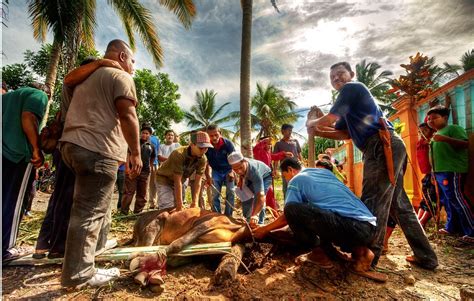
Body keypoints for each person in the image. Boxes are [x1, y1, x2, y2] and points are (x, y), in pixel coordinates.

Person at [307, 62, 438, 270]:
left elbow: (329, 119)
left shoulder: (353, 88)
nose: (336, 79)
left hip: (380, 145)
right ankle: (427, 256)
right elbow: (344, 134)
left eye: (340, 74)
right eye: (332, 77)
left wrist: (313, 124)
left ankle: (369, 257)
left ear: (352, 74)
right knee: (399, 205)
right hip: (387, 145)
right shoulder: (349, 106)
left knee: (373, 201)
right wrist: (318, 131)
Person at [58, 39, 142, 288]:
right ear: (123, 57)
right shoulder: (120, 76)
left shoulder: (83, 77)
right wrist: (135, 153)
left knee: (91, 207)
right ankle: (79, 274)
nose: (134, 67)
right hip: (97, 149)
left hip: (72, 145)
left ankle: (92, 250)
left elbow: (66, 84)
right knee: (89, 212)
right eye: (133, 61)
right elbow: (128, 115)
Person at [253, 158, 387, 282]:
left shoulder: (297, 179)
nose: (287, 180)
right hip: (369, 228)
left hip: (351, 227)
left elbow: (288, 215)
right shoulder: (324, 174)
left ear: (290, 170)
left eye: (285, 176)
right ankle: (362, 253)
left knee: (291, 209)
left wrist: (264, 229)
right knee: (326, 210)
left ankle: (318, 253)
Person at [2, 83, 49, 262]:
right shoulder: (39, 95)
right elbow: (28, 116)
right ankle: (6, 248)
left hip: (3, 153)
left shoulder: (5, 98)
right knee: (13, 203)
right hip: (18, 155)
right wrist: (36, 149)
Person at [427, 106, 473, 243]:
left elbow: (464, 144)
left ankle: (472, 231)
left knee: (457, 198)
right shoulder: (435, 136)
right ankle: (451, 227)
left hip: (453, 170)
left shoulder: (453, 129)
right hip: (439, 172)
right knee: (447, 201)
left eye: (434, 118)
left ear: (445, 118)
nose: (430, 121)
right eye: (429, 119)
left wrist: (445, 139)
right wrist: (433, 174)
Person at [155, 131, 212, 211]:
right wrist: (179, 205)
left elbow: (198, 181)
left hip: (181, 181)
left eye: (206, 148)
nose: (203, 151)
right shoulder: (178, 154)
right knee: (167, 207)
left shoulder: (203, 159)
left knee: (178, 207)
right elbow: (177, 181)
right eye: (201, 148)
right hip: (164, 179)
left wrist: (195, 202)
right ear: (192, 144)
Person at [228, 152, 272, 225]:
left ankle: (259, 222)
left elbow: (260, 196)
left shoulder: (255, 172)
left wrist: (255, 215)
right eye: (235, 169)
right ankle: (247, 220)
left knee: (257, 199)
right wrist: (241, 179)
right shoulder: (240, 165)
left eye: (240, 167)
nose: (239, 171)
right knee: (246, 197)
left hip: (265, 177)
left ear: (245, 161)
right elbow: (240, 171)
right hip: (249, 178)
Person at [121, 125, 156, 214]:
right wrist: (127, 168)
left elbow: (152, 158)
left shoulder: (151, 146)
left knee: (142, 194)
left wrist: (150, 168)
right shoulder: (134, 143)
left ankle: (138, 212)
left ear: (150, 135)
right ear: (140, 134)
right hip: (132, 171)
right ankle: (124, 211)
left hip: (145, 172)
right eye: (143, 133)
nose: (144, 135)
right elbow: (128, 155)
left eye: (147, 133)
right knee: (129, 192)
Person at [253, 136, 292, 214]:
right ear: (262, 144)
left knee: (269, 193)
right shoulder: (258, 151)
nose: (269, 146)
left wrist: (284, 154)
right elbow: (255, 148)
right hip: (260, 175)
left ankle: (271, 209)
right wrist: (264, 141)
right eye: (267, 144)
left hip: (267, 175)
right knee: (266, 192)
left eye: (270, 145)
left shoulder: (268, 152)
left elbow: (274, 156)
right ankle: (262, 211)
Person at [205, 124, 236, 217]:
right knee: (215, 194)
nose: (214, 137)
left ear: (220, 133)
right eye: (211, 136)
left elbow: (235, 159)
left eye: (216, 135)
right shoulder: (206, 146)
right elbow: (205, 163)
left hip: (228, 170)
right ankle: (216, 215)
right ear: (208, 136)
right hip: (215, 171)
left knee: (231, 191)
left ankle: (228, 215)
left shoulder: (228, 144)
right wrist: (208, 177)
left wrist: (232, 171)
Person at [273, 124, 302, 198]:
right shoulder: (278, 144)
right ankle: (287, 203)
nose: (290, 132)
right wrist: (275, 169)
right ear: (283, 131)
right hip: (285, 169)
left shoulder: (295, 141)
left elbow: (299, 154)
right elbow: (276, 158)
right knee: (286, 187)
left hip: (297, 167)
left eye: (291, 131)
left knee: (299, 185)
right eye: (288, 130)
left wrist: (301, 163)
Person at [146, 123, 160, 210]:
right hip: (144, 165)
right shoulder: (141, 138)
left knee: (157, 184)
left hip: (155, 164)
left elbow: (157, 153)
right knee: (148, 185)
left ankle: (159, 203)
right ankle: (151, 203)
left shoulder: (155, 139)